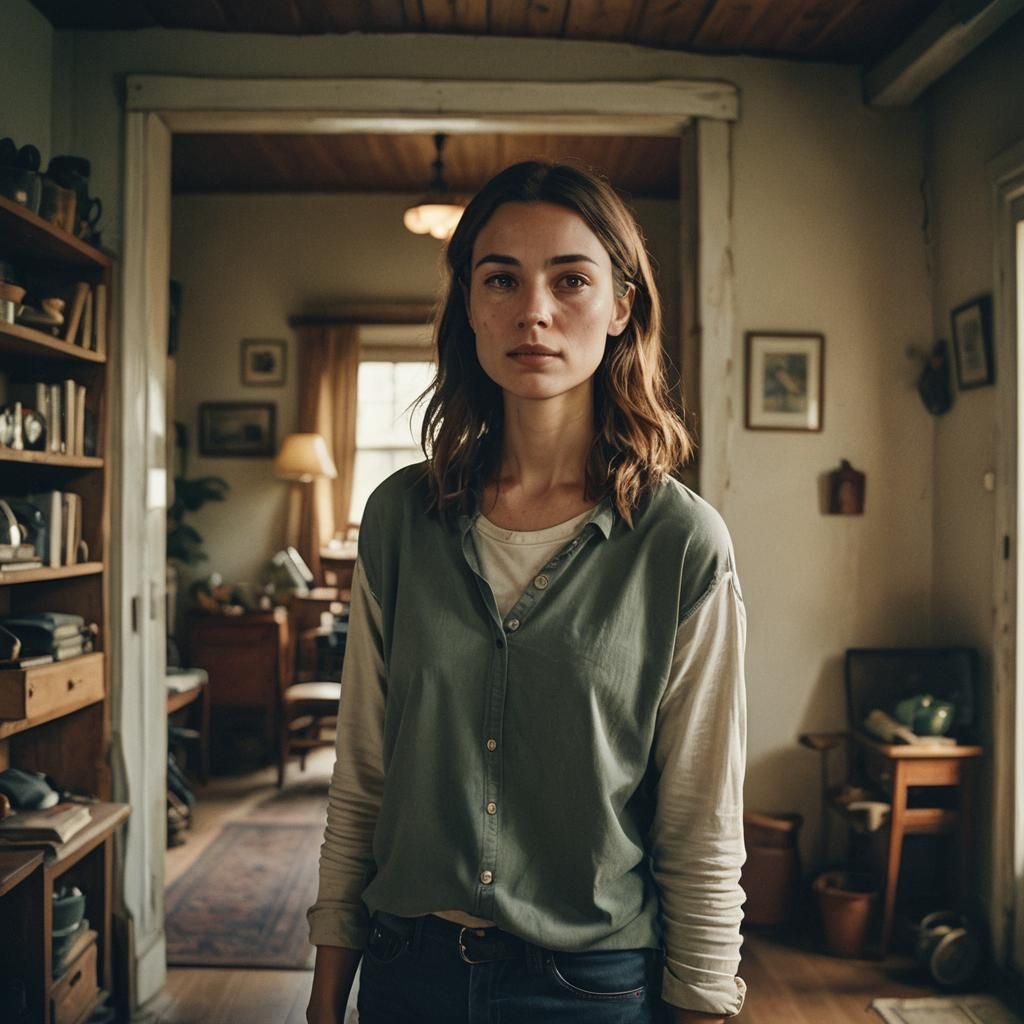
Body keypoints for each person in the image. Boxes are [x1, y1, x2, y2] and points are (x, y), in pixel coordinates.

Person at [306, 161, 747, 1024]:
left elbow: (700, 824)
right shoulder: (399, 519)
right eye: (501, 278)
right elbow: (362, 776)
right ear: (470, 305)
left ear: (623, 306)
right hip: (408, 971)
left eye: (571, 280)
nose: (533, 311)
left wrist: (701, 1004)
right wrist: (327, 997)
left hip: (590, 987)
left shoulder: (681, 543)